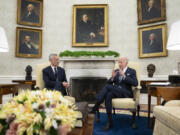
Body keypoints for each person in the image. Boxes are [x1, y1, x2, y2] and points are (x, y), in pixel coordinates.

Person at [89, 57, 138, 130]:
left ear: (126, 63)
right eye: (119, 62)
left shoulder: (132, 71)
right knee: (108, 94)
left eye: (121, 62)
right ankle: (109, 121)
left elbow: (135, 83)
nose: (119, 64)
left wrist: (124, 76)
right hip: (116, 92)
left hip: (126, 93)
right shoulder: (116, 71)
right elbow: (108, 82)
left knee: (108, 87)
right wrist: (112, 78)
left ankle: (97, 104)